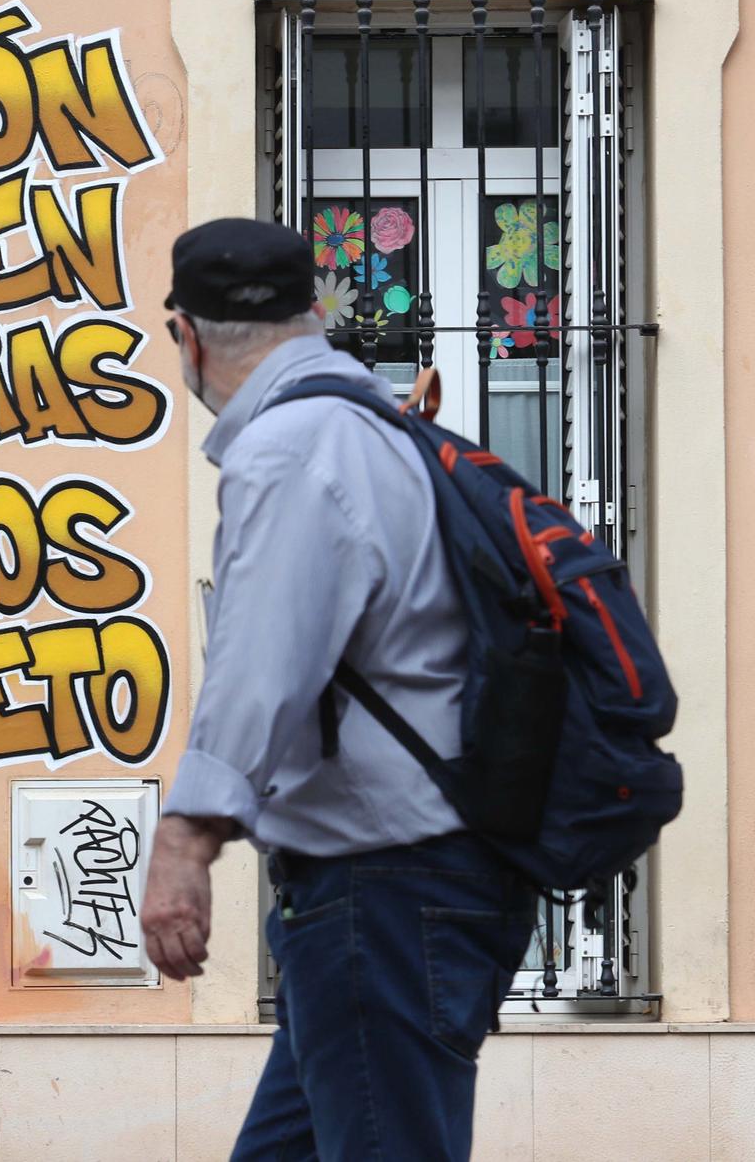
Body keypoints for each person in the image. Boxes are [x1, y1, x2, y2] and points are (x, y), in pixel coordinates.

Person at [139, 217, 534, 1161]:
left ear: (185, 337)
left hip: (386, 894)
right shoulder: (372, 421)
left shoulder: (293, 448)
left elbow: (261, 659)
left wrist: (186, 837)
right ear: (312, 312)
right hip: (397, 893)